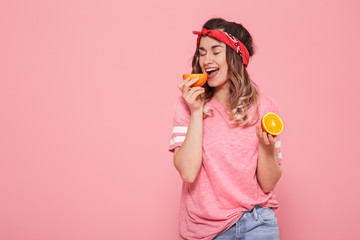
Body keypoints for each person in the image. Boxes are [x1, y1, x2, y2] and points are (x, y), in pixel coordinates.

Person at [169, 18, 284, 240]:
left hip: (257, 222)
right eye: (201, 52)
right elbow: (188, 172)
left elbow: (268, 183)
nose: (206, 60)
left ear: (237, 56)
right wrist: (195, 112)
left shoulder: (266, 108)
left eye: (215, 51)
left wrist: (266, 146)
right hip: (205, 230)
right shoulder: (186, 104)